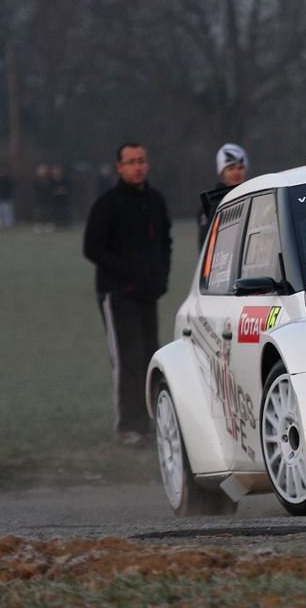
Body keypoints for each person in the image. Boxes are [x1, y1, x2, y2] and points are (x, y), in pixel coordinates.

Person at [83, 143, 172, 447]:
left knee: (150, 357)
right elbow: (92, 248)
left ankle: (149, 424)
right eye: (131, 162)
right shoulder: (108, 204)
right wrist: (128, 274)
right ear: (119, 167)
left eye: (142, 161)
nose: (137, 166)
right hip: (117, 294)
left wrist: (161, 277)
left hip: (148, 294)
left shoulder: (155, 201)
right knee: (127, 359)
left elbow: (165, 242)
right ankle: (127, 426)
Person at [198, 143, 249, 247]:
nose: (236, 173)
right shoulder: (212, 204)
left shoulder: (252, 196)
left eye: (240, 168)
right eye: (231, 168)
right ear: (222, 173)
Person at [0, 164, 14, 228]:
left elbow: (10, 188)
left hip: (6, 197)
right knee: (0, 212)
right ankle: (1, 223)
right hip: (0, 198)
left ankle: (7, 223)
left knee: (6, 212)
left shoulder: (7, 179)